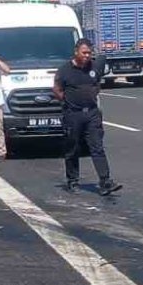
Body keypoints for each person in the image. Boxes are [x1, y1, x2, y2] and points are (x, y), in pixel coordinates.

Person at [53, 39, 121, 195]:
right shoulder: (65, 70)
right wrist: (68, 101)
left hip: (91, 113)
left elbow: (97, 84)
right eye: (84, 53)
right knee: (72, 148)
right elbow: (57, 90)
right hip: (73, 114)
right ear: (76, 52)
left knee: (97, 147)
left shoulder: (94, 67)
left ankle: (105, 181)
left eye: (89, 53)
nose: (87, 55)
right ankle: (72, 180)